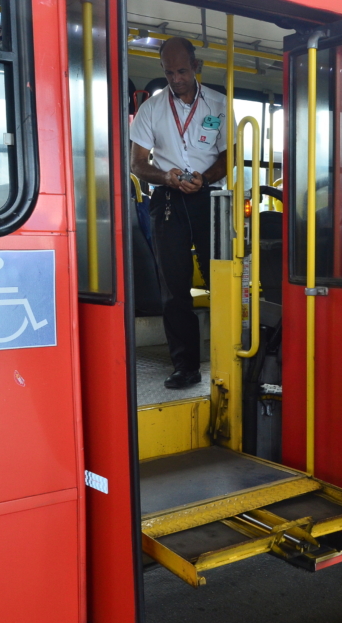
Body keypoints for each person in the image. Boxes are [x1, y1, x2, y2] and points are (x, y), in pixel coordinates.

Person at [129, 37, 229, 389]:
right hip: (167, 200)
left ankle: (229, 358)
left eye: (182, 70)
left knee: (222, 280)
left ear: (196, 66)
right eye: (169, 72)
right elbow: (138, 164)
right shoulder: (151, 110)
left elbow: (228, 158)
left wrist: (205, 179)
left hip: (209, 199)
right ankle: (185, 366)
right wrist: (166, 176)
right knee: (174, 288)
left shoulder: (218, 104)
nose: (176, 78)